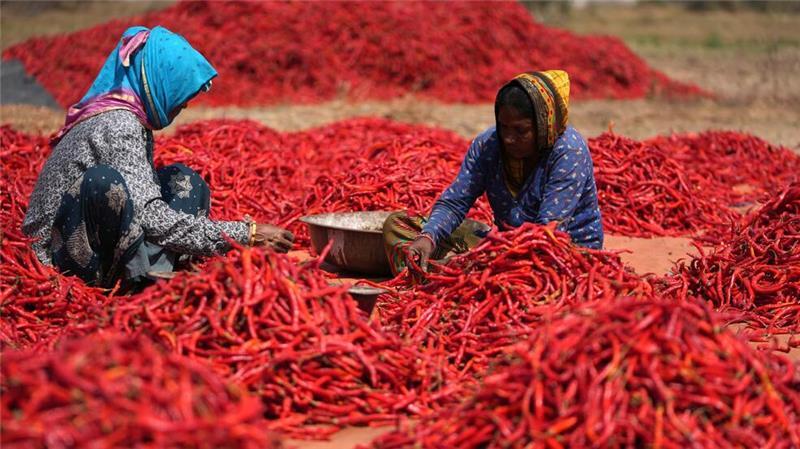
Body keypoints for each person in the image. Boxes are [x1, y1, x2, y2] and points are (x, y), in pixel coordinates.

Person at [22, 26, 293, 289]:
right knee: (103, 183)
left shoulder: (134, 118)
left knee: (184, 181)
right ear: (157, 81)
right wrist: (246, 235)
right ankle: (134, 281)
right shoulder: (119, 124)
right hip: (61, 258)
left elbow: (144, 204)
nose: (184, 103)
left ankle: (152, 274)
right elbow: (151, 217)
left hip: (98, 236)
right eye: (179, 91)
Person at [383, 70, 602, 274]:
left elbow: (547, 232)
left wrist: (483, 258)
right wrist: (428, 237)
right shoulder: (489, 144)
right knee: (398, 225)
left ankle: (446, 272)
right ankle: (446, 270)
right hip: (504, 243)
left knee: (527, 274)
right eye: (503, 127)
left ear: (545, 126)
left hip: (562, 254)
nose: (508, 138)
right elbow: (456, 201)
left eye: (520, 130)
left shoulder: (568, 152)